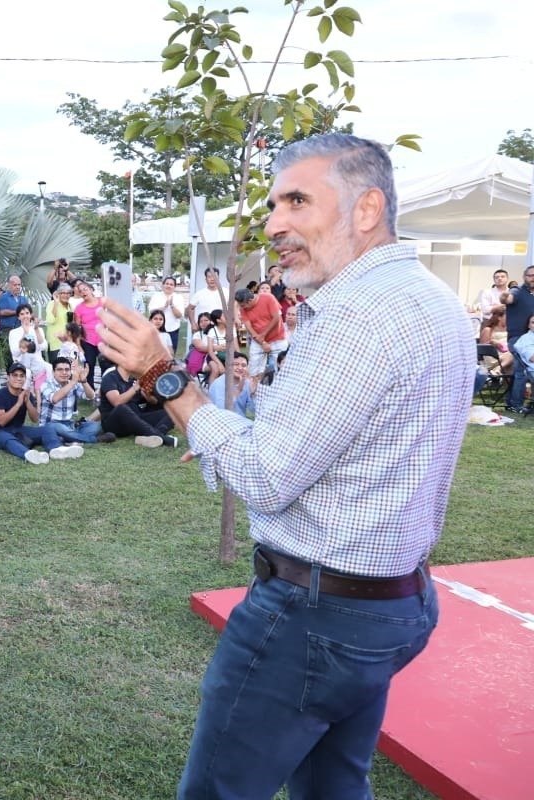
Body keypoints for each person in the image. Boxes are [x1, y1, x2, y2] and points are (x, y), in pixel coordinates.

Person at [98, 133, 474, 798]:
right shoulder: (430, 298)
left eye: (297, 201)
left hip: (315, 618)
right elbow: (343, 443)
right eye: (274, 204)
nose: (274, 225)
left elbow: (267, 478)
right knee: (334, 786)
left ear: (366, 209)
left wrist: (164, 376)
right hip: (393, 602)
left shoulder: (359, 315)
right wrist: (222, 428)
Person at [0, 362, 82, 465]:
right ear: (8, 377)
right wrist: (18, 404)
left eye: (22, 376)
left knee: (47, 429)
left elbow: (34, 419)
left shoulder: (26, 394)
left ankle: (56, 449)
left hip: (18, 429)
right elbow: (2, 422)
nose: (19, 379)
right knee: (8, 439)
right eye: (15, 375)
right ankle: (28, 454)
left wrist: (27, 401)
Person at [39, 357, 116, 445]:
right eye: (60, 370)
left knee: (97, 426)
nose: (64, 372)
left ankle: (70, 439)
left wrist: (83, 381)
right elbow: (54, 399)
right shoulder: (46, 384)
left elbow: (91, 396)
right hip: (50, 425)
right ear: (53, 372)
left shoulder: (73, 384)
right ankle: (93, 440)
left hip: (70, 425)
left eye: (67, 370)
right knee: (55, 427)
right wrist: (73, 381)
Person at [98, 364, 177, 448]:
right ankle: (161, 438)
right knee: (122, 408)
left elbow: (154, 402)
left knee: (172, 411)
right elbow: (116, 402)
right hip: (114, 423)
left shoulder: (134, 379)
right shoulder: (110, 378)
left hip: (136, 420)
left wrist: (147, 394)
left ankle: (153, 436)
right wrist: (136, 387)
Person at [500, 265, 534, 414]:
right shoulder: (518, 291)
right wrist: (504, 297)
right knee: (522, 371)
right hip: (518, 338)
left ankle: (513, 402)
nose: (533, 278)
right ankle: (516, 404)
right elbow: (508, 298)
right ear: (524, 277)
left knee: (522, 372)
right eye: (530, 275)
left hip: (531, 337)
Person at [235, 286, 286, 385]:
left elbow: (276, 318)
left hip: (278, 338)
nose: (241, 308)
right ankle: (252, 391)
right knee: (253, 368)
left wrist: (263, 334)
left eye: (243, 305)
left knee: (281, 369)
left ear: (249, 301)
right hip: (258, 341)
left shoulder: (268, 298)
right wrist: (262, 342)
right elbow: (249, 328)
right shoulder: (243, 308)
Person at [207, 351, 256, 418]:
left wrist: (253, 394)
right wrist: (238, 390)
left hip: (240, 421)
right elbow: (222, 411)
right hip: (220, 422)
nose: (240, 368)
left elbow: (253, 411)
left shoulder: (247, 383)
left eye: (243, 365)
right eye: (236, 364)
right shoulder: (218, 384)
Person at [73, 282, 104, 383]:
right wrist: (78, 345)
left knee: (106, 365)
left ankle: (106, 391)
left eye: (85, 289)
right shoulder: (79, 308)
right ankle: (90, 392)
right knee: (89, 365)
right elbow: (77, 328)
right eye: (80, 291)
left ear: (91, 289)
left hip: (103, 340)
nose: (83, 292)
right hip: (87, 341)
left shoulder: (102, 302)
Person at [148, 276, 186, 353]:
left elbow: (179, 315)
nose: (168, 286)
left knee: (171, 354)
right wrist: (164, 307)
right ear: (163, 285)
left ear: (174, 287)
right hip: (157, 329)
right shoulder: (156, 296)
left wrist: (172, 305)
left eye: (171, 284)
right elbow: (151, 312)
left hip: (173, 329)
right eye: (167, 284)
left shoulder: (179, 297)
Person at [45, 283, 74, 361]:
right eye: (63, 293)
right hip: (56, 343)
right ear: (58, 294)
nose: (66, 295)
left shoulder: (70, 306)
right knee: (57, 368)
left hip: (68, 343)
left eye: (68, 293)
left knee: (68, 369)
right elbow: (50, 320)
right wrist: (56, 303)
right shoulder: (52, 304)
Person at [0, 275, 27, 340]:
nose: (18, 287)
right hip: (7, 331)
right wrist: (18, 312)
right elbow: (1, 312)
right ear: (10, 285)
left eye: (19, 285)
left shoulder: (23, 299)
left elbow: (29, 312)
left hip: (21, 330)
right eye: (15, 285)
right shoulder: (4, 297)